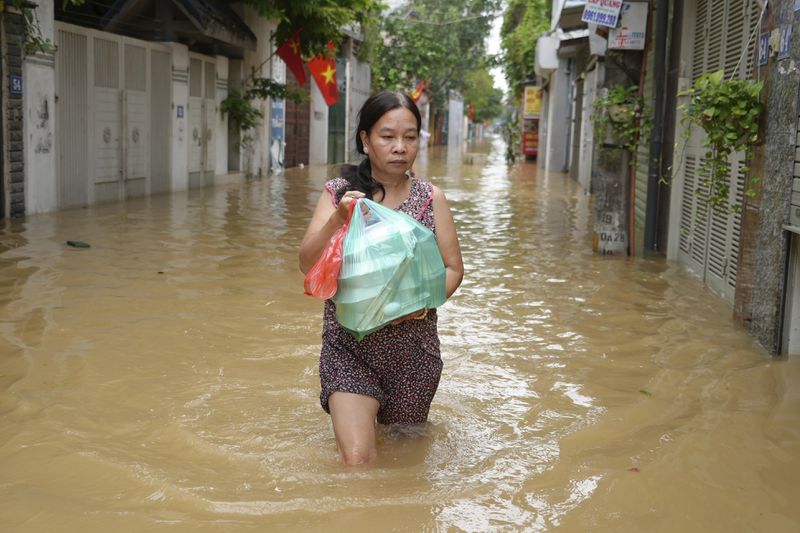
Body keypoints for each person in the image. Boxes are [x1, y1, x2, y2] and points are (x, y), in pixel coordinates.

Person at [299, 91, 464, 466]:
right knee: (358, 458)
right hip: (349, 347)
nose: (400, 147)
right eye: (387, 136)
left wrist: (419, 308)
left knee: (404, 462)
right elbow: (307, 263)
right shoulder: (340, 194)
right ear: (364, 139)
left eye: (409, 137)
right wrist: (338, 220)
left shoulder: (429, 197)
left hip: (412, 352)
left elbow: (453, 268)